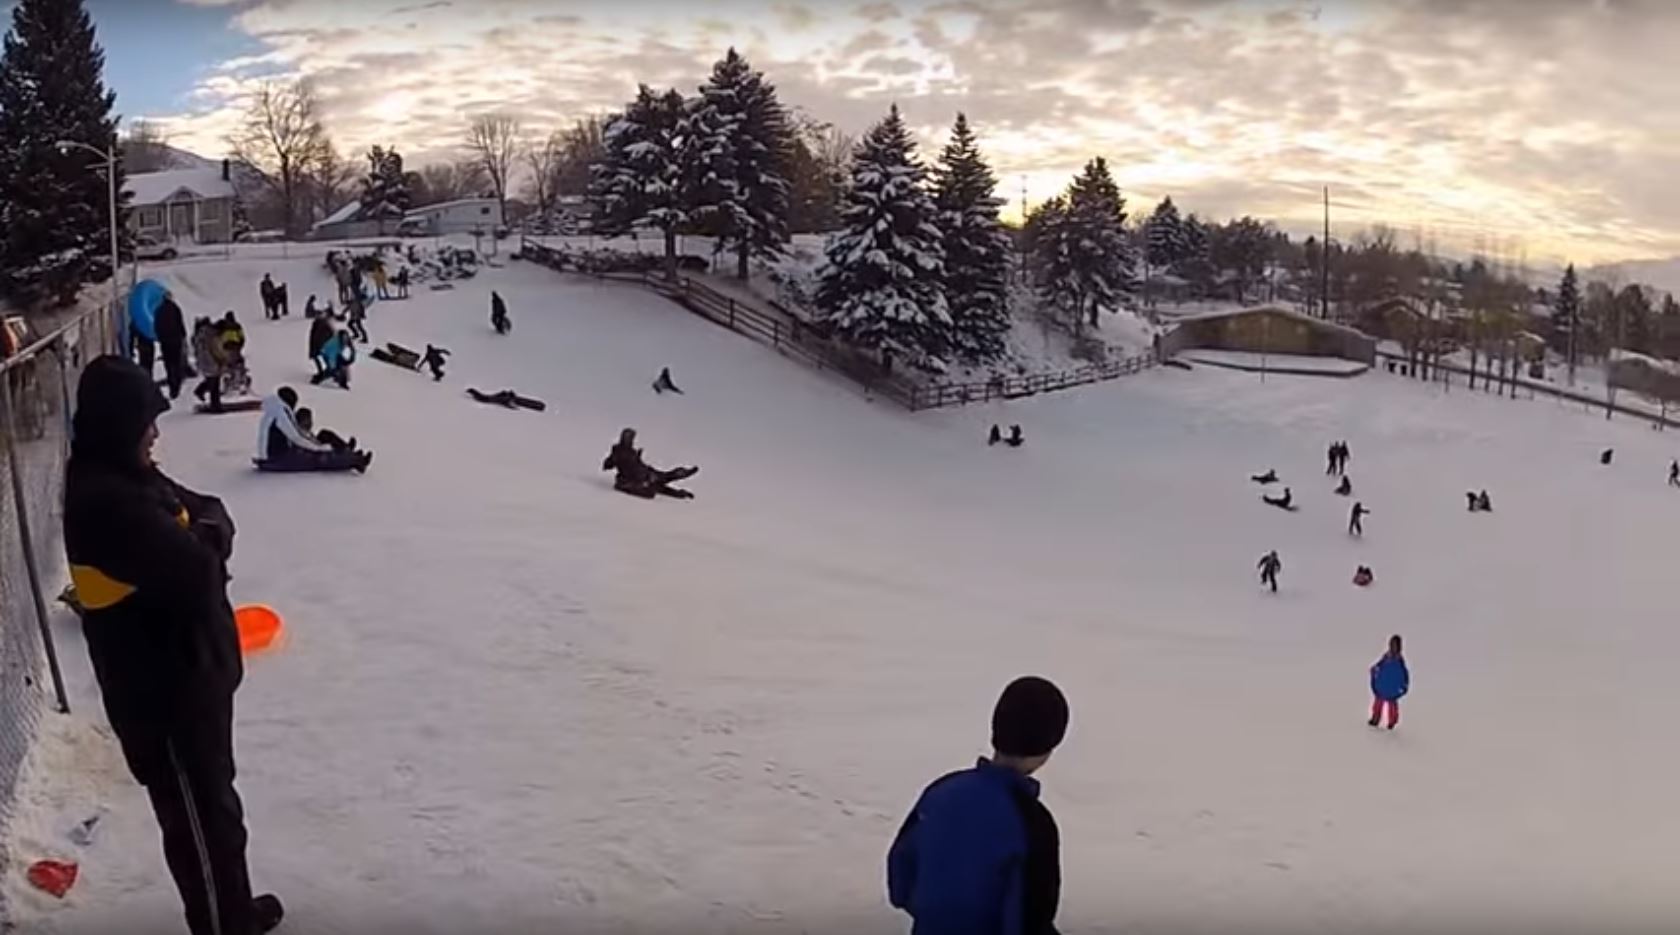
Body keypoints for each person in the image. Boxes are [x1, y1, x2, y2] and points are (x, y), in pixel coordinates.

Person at [62, 356, 285, 935]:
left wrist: (199, 530)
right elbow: (198, 571)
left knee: (219, 814)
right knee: (201, 825)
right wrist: (200, 535)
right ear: (119, 425)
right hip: (162, 699)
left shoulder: (132, 475)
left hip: (193, 680)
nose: (157, 433)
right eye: (147, 422)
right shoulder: (105, 499)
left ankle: (231, 910)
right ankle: (221, 923)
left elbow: (214, 513)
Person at [887, 676, 1068, 935]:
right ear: (1048, 748)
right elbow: (1031, 921)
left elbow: (901, 884)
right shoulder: (1032, 824)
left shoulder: (940, 794)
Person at [257, 387, 370, 472]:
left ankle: (351, 456)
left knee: (320, 445)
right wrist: (318, 448)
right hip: (277, 458)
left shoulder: (274, 409)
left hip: (273, 456)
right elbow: (296, 437)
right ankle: (356, 461)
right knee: (317, 458)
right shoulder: (280, 412)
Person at [602, 428, 698, 499]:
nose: (630, 441)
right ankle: (676, 488)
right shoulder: (618, 451)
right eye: (629, 438)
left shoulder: (631, 451)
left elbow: (635, 464)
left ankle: (678, 488)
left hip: (645, 473)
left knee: (663, 478)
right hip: (634, 479)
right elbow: (610, 464)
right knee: (655, 485)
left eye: (631, 438)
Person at [1368, 634, 1409, 729]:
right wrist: (1374, 670)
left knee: (1392, 706)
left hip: (1392, 688)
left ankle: (1392, 722)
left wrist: (1404, 685)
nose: (1393, 647)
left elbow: (1404, 674)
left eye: (1395, 646)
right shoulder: (1386, 657)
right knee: (1378, 703)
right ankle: (1375, 718)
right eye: (1392, 645)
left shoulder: (1399, 661)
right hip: (1382, 685)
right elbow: (1379, 666)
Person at [155, 292, 188, 400]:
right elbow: (180, 323)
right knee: (176, 363)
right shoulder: (175, 308)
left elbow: (157, 326)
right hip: (176, 340)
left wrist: (160, 337)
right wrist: (183, 335)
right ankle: (176, 386)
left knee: (168, 365)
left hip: (165, 341)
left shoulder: (159, 311)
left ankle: (172, 387)